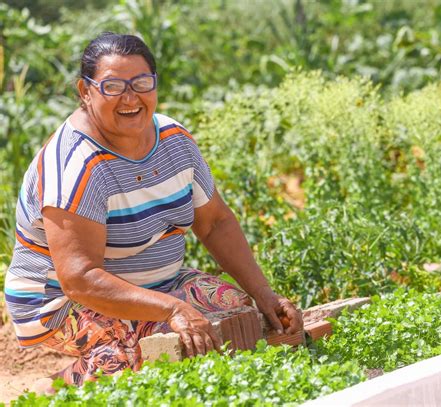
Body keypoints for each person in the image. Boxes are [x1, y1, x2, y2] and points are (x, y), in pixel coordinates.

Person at [4, 32, 303, 390]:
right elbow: (79, 278)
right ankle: (56, 390)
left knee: (239, 312)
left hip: (158, 285)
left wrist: (264, 294)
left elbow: (215, 224)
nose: (130, 97)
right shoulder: (77, 165)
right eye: (112, 86)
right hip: (58, 303)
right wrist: (170, 310)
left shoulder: (174, 140)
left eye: (141, 82)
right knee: (153, 346)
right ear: (85, 92)